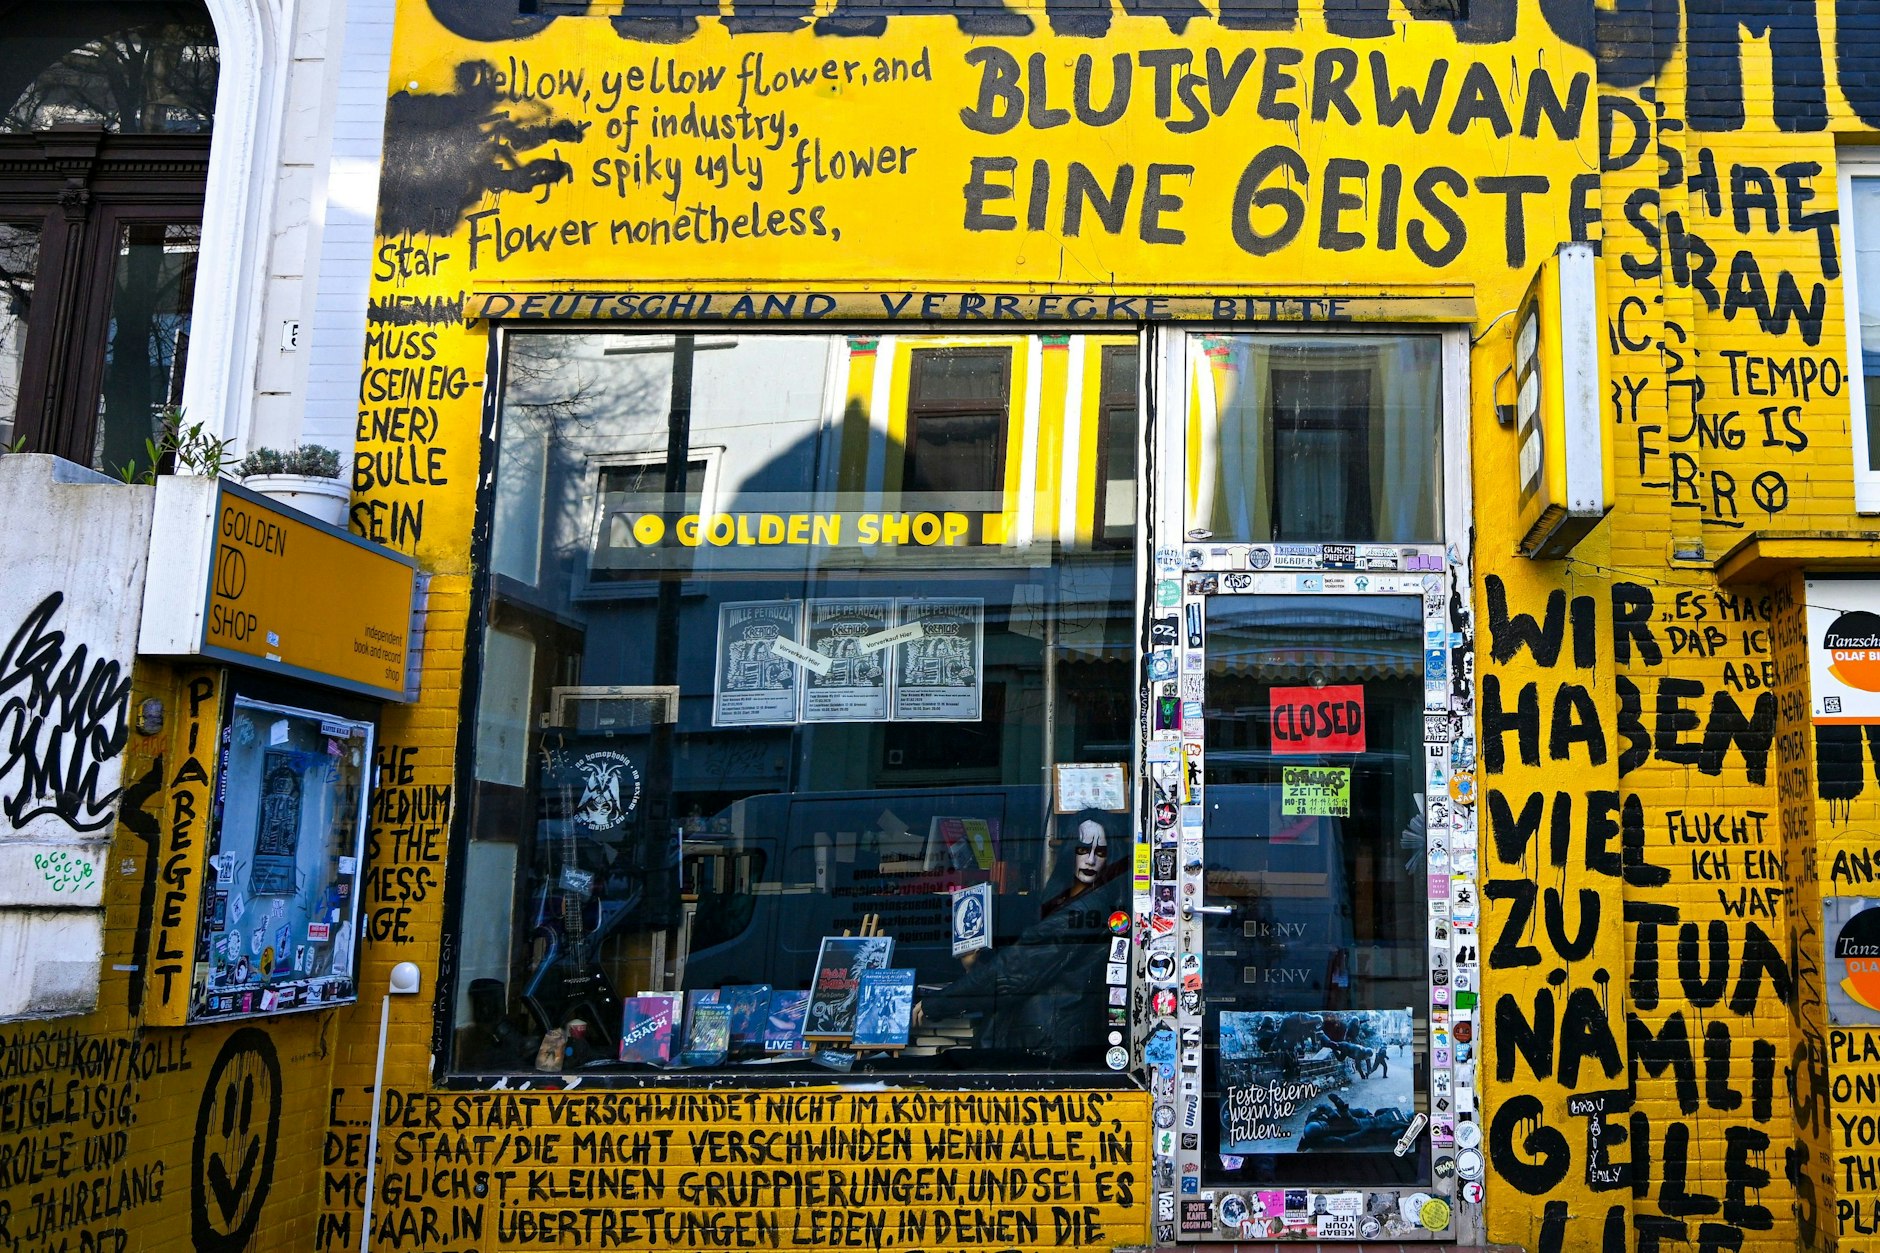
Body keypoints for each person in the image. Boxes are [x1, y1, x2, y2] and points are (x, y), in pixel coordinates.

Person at [913, 810, 1127, 1062]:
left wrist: (937, 1004)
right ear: (1070, 851)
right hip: (1054, 1039)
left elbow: (1016, 969)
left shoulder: (1083, 910)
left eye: (1100, 852)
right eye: (1082, 850)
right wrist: (977, 966)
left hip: (1047, 1045)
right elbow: (1032, 965)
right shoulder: (1080, 901)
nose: (1090, 860)